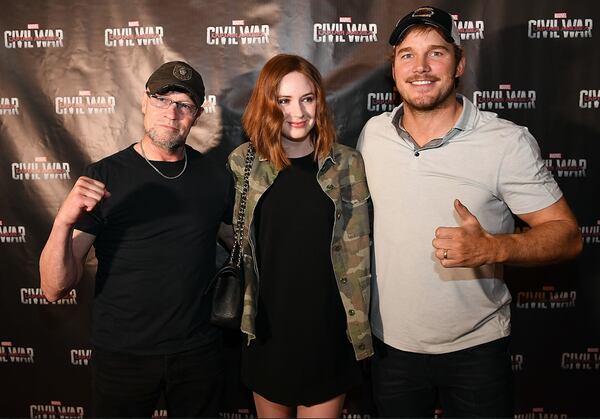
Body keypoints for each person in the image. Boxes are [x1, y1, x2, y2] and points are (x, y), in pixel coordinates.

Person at [357, 6, 583, 418]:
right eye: (407, 54)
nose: (421, 67)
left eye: (436, 53)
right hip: (391, 350)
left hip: (476, 351)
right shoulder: (373, 135)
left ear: (459, 63)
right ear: (393, 69)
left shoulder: (506, 142)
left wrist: (493, 248)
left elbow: (567, 235)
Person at [39, 61, 234, 417]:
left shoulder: (216, 178)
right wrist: (63, 222)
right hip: (123, 356)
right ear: (144, 102)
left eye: (184, 104)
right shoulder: (105, 175)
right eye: (162, 99)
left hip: (198, 352)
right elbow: (54, 288)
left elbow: (241, 247)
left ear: (197, 114)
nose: (171, 113)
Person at [228, 54, 373, 418]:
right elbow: (229, 235)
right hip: (267, 331)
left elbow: (359, 248)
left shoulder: (346, 164)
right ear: (267, 104)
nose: (298, 111)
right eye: (284, 100)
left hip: (327, 332)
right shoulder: (243, 163)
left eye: (307, 98)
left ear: (319, 102)